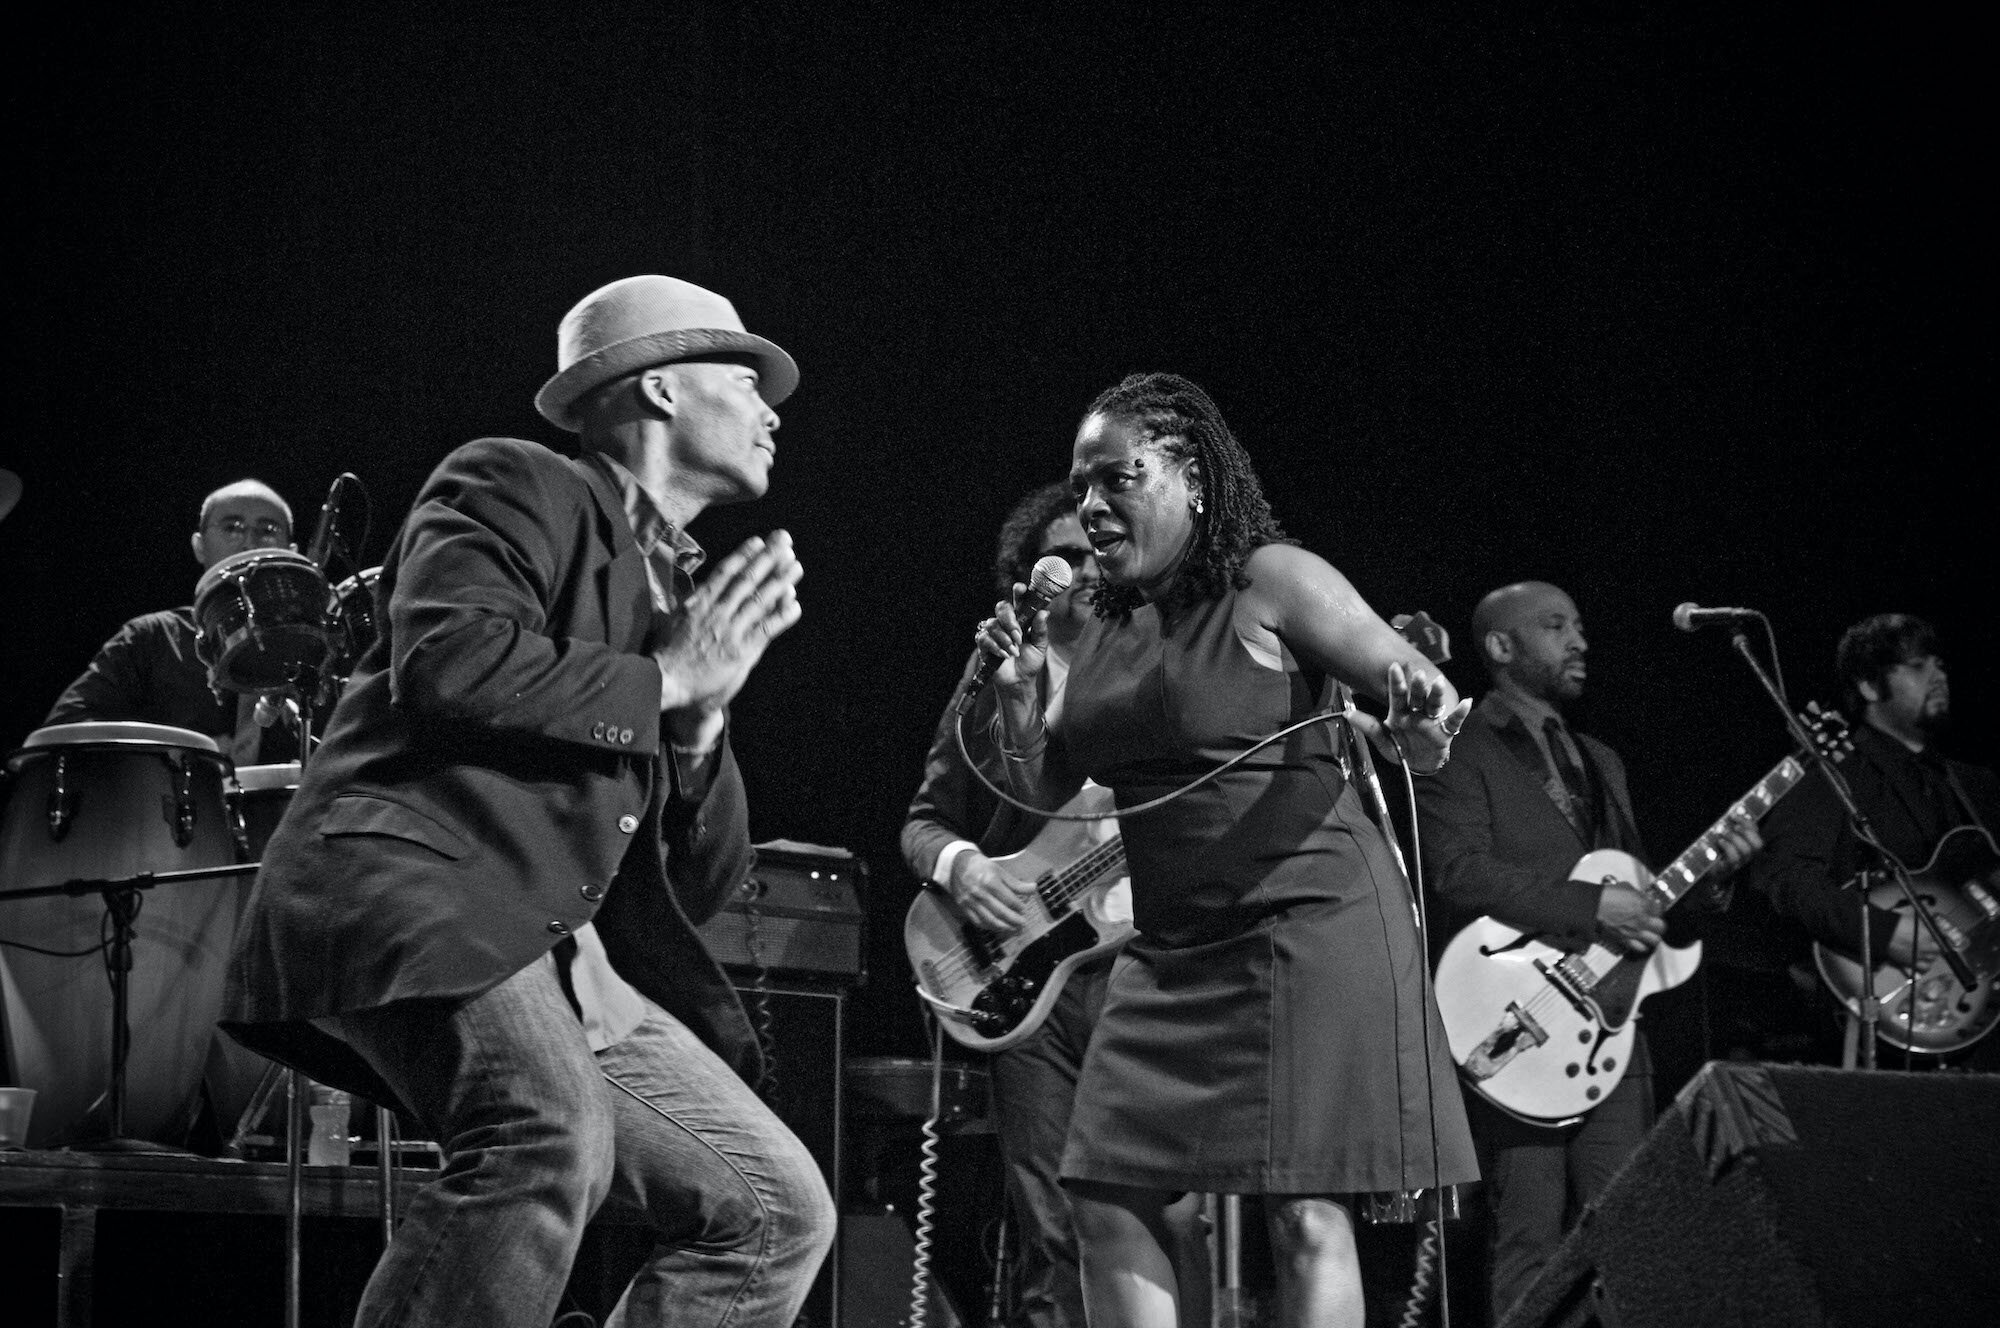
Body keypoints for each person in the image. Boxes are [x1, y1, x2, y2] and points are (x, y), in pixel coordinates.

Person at [221, 274, 834, 1328]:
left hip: (562, 956)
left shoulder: (677, 594)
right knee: (544, 1126)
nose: (772, 408)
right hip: (420, 892)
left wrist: (692, 724)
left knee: (776, 1208)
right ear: (659, 390)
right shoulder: (513, 481)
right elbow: (449, 658)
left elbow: (697, 880)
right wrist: (664, 682)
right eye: (742, 377)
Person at [976, 373, 1476, 1328]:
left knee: (1305, 1211)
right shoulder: (1090, 615)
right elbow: (1041, 791)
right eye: (1080, 486)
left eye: (1115, 478)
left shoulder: (1273, 579)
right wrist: (1018, 695)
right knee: (1100, 1192)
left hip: (1308, 927)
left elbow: (1409, 685)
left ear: (1192, 476)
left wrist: (1420, 720)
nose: (1091, 506)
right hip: (1172, 951)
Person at [902, 482, 1209, 1328]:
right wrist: (962, 868)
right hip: (1027, 993)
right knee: (1050, 1227)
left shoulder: (1157, 661)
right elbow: (925, 821)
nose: (1079, 569)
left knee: (1172, 1214)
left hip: (1141, 975)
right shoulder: (991, 671)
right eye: (1061, 556)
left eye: (1090, 552)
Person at [1413, 580, 1760, 1323]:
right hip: (1518, 1018)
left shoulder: (1603, 759)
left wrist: (1706, 885)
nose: (1580, 640)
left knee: (1628, 1227)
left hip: (1610, 1026)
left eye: (1578, 625)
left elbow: (1631, 885)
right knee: (1530, 1239)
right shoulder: (1458, 745)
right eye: (1555, 626)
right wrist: (1593, 905)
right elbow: (1457, 871)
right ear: (1501, 648)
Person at [1748, 613, 2000, 1064]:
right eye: (1918, 665)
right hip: (1882, 1026)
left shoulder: (1976, 787)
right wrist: (1881, 933)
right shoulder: (1833, 770)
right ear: (1867, 685)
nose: (1939, 675)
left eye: (1940, 664)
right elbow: (1784, 879)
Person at [46, 478, 302, 765]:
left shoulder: (315, 648)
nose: (249, 542)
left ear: (291, 550)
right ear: (199, 546)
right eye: (232, 527)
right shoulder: (151, 637)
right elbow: (66, 727)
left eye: (268, 530)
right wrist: (173, 757)